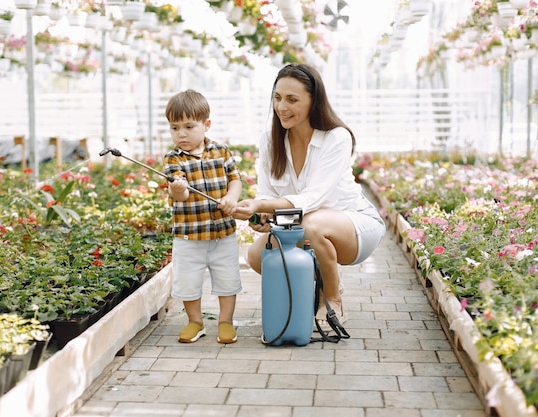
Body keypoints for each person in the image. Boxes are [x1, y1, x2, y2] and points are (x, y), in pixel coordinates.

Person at [234, 64, 386, 331]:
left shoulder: (336, 138)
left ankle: (332, 298)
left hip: (354, 225)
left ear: (313, 102)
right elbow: (267, 193)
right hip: (302, 225)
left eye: (292, 100)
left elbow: (312, 198)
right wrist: (261, 215)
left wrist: (263, 205)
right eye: (278, 98)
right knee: (258, 255)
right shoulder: (270, 141)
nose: (282, 107)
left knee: (311, 225)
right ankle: (310, 290)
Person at [163, 89, 243, 344]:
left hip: (222, 233)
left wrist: (231, 198)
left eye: (188, 126)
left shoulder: (221, 151)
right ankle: (195, 322)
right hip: (189, 235)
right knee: (188, 280)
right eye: (175, 128)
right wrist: (178, 190)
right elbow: (180, 195)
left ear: (206, 125)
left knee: (227, 277)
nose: (181, 134)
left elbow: (235, 180)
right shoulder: (173, 158)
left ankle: (226, 322)